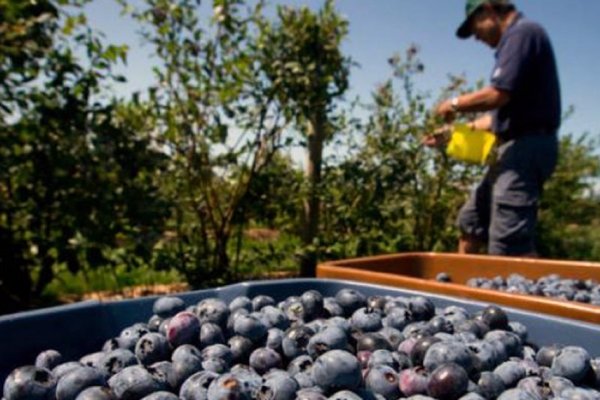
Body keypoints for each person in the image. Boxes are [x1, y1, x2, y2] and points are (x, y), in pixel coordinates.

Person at [424, 0, 561, 256]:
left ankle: (513, 290)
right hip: (514, 147)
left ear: (487, 10)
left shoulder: (523, 33)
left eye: (474, 28)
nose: (476, 37)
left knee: (508, 240)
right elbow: (495, 118)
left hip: (527, 147)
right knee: (471, 220)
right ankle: (464, 291)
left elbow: (498, 95)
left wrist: (454, 103)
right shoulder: (516, 41)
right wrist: (449, 136)